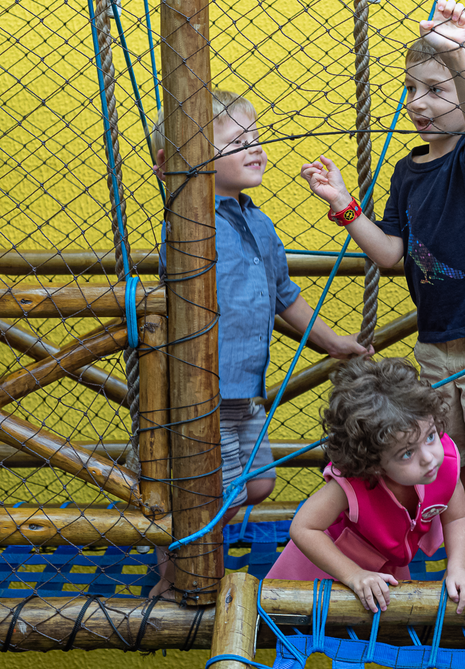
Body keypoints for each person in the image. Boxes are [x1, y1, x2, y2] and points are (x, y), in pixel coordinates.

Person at [300, 0, 465, 582]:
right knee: (456, 469)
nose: (418, 104)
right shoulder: (408, 171)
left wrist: (456, 51)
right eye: (412, 89)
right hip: (436, 345)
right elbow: (389, 253)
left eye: (435, 90)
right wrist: (342, 207)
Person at [149, 89, 370, 598]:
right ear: (178, 163)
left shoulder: (259, 223)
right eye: (237, 141)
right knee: (209, 490)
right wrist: (175, 174)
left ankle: (189, 556)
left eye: (257, 138)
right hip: (200, 389)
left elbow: (284, 297)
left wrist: (333, 341)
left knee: (257, 484)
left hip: (245, 387)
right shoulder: (189, 224)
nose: (256, 149)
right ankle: (180, 572)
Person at [266, 357, 465, 615]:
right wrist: (353, 574)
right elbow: (303, 527)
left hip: (384, 569)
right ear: (374, 463)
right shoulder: (352, 485)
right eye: (407, 453)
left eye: (431, 436)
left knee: (376, 638)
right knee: (300, 635)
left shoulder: (443, 464)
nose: (429, 457)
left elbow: (457, 518)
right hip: (322, 570)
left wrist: (458, 567)